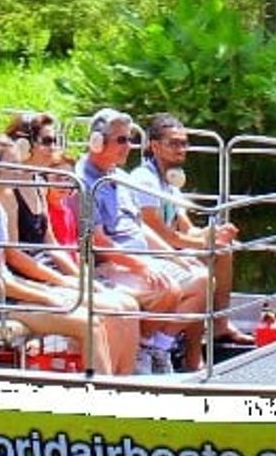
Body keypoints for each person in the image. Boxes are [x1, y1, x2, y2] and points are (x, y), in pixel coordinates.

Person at [0, 137, 133, 375]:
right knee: (90, 324)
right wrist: (47, 298)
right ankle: (99, 395)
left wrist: (48, 292)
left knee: (96, 314)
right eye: (12, 166)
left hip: (2, 298)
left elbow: (2, 276)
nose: (20, 171)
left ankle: (112, 385)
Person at [74, 107, 206, 374]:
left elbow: (140, 228)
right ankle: (139, 354)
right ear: (97, 142)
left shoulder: (120, 178)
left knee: (201, 277)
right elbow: (98, 243)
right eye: (121, 140)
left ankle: (155, 347)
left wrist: (174, 255)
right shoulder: (84, 182)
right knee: (166, 288)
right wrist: (142, 266)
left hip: (138, 258)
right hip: (110, 266)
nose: (129, 146)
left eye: (130, 139)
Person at [130, 113, 252, 347]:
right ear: (154, 146)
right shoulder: (144, 180)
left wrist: (214, 234)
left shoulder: (170, 180)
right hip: (153, 251)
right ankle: (183, 352)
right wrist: (205, 244)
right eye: (174, 143)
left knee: (224, 250)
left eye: (184, 143)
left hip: (170, 247)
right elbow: (162, 235)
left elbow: (185, 227)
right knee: (204, 269)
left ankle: (220, 325)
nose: (181, 149)